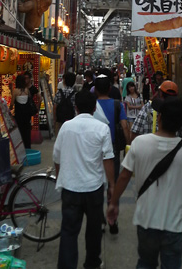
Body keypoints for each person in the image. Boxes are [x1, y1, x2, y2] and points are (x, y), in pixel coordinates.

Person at [107, 96, 182, 269]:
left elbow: (124, 176)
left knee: (145, 263)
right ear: (181, 123)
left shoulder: (140, 143)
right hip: (174, 224)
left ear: (159, 118)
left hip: (146, 221)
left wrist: (113, 203)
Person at [53, 89, 115, 269]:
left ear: (76, 107)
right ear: (95, 108)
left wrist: (61, 177)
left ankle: (66, 266)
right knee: (94, 229)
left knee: (69, 231)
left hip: (70, 187)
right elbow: (108, 159)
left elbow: (56, 157)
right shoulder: (102, 128)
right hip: (93, 188)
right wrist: (112, 185)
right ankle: (92, 262)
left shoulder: (66, 127)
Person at [94, 73, 130, 234]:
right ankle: (112, 218)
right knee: (113, 184)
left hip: (94, 149)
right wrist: (128, 145)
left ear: (95, 90)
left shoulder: (92, 105)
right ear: (109, 88)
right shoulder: (117, 105)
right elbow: (125, 126)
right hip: (112, 150)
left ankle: (100, 220)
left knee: (96, 185)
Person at [10, 73, 32, 148]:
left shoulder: (15, 91)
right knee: (27, 131)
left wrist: (9, 109)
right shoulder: (27, 90)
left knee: (19, 130)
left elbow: (12, 104)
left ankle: (20, 146)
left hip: (19, 114)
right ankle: (27, 146)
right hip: (27, 114)